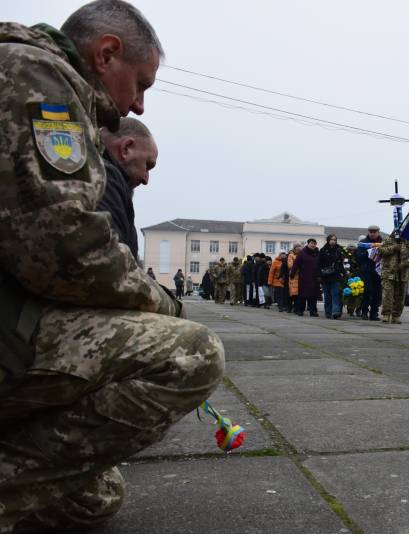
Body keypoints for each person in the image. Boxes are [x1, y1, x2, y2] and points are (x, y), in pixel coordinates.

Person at [0, 2, 224, 531]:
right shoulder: (34, 75)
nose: (140, 105)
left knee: (94, 495)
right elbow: (64, 247)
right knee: (190, 354)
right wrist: (162, 304)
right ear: (106, 54)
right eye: (140, 83)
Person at [96, 117, 157, 261]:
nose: (145, 179)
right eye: (147, 166)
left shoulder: (116, 188)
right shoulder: (103, 181)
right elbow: (112, 269)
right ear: (126, 149)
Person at [379, 231, 409, 323]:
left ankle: (396, 315)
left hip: (402, 273)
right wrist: (394, 248)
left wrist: (406, 263)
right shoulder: (388, 240)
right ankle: (386, 314)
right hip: (389, 272)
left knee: (400, 296)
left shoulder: (407, 243)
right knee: (387, 294)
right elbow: (381, 250)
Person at [357, 225, 383, 321]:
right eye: (371, 232)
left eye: (374, 232)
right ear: (368, 232)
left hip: (378, 271)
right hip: (366, 271)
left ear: (378, 232)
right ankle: (364, 311)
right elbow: (359, 256)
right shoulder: (363, 243)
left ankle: (374, 313)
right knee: (367, 291)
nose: (372, 234)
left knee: (377, 293)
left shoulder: (382, 243)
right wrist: (369, 252)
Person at [290, 238, 320, 316]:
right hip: (304, 277)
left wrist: (320, 275)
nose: (313, 245)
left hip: (314, 277)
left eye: (314, 243)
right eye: (311, 243)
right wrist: (292, 274)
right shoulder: (302, 253)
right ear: (308, 244)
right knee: (302, 295)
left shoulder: (317, 253)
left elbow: (320, 265)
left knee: (313, 296)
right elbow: (296, 264)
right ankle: (300, 310)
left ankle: (313, 311)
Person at [318, 234, 345, 319]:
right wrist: (319, 275)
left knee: (335, 294)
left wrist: (343, 273)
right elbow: (319, 263)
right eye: (331, 239)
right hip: (325, 275)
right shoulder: (323, 250)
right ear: (328, 240)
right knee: (327, 295)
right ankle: (328, 312)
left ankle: (335, 312)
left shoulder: (339, 250)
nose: (333, 241)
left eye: (334, 240)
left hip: (336, 275)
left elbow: (341, 263)